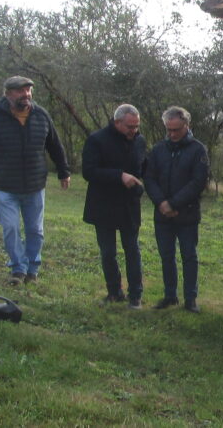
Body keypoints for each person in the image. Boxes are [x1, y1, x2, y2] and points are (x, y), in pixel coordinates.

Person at [0, 75, 71, 286]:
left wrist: (63, 171)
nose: (26, 94)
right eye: (20, 91)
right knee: (10, 228)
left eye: (28, 90)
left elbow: (55, 145)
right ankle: (18, 269)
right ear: (8, 94)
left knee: (35, 230)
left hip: (35, 186)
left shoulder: (41, 115)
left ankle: (32, 270)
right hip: (5, 187)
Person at [144, 106, 209, 313]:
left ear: (186, 126)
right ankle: (170, 295)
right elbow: (149, 178)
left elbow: (198, 182)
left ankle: (191, 298)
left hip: (186, 213)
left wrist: (173, 203)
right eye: (169, 130)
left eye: (176, 130)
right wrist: (161, 203)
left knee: (189, 256)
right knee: (166, 255)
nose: (172, 134)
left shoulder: (198, 150)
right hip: (162, 214)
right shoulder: (158, 150)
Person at [81, 104, 147, 308]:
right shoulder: (97, 140)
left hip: (129, 205)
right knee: (108, 252)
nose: (134, 130)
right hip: (103, 204)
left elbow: (143, 168)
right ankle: (114, 292)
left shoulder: (140, 141)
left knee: (132, 250)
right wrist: (119, 176)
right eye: (129, 126)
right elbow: (89, 171)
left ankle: (135, 295)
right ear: (117, 122)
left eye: (136, 126)